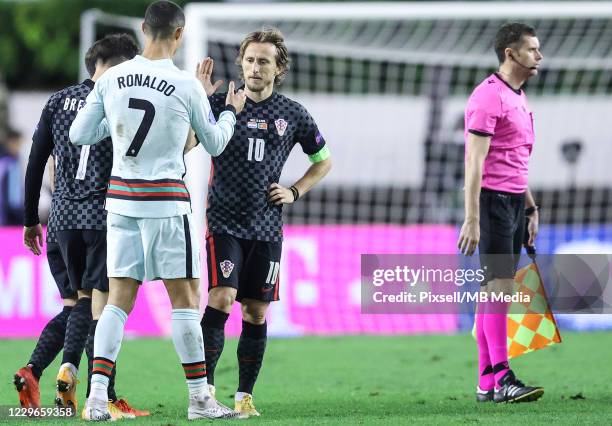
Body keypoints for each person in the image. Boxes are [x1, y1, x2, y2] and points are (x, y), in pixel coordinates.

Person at [69, 1, 245, 421]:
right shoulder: (185, 85)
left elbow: (80, 134)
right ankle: (200, 400)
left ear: (145, 29)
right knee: (185, 299)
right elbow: (216, 143)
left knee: (117, 302)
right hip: (166, 203)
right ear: (180, 34)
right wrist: (229, 113)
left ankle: (95, 400)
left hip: (121, 202)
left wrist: (113, 127)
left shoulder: (112, 77)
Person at [198, 27, 332, 417]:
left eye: (264, 62)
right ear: (241, 62)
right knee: (221, 296)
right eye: (251, 60)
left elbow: (323, 160)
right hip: (223, 221)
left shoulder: (293, 114)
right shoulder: (220, 102)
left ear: (279, 69)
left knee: (255, 312)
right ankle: (204, 390)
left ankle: (244, 396)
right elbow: (189, 137)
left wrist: (295, 191)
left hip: (266, 226)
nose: (255, 68)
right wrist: (200, 99)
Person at [19, 33, 146, 419]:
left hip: (60, 221)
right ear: (121, 65)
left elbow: (36, 159)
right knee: (101, 309)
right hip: (103, 218)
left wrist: (29, 219)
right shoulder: (121, 100)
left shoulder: (57, 100)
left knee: (76, 304)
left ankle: (36, 372)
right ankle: (98, 392)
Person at [458, 22, 544, 403]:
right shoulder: (487, 97)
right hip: (491, 203)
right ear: (511, 54)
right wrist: (472, 217)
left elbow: (515, 159)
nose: (539, 56)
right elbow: (474, 163)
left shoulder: (519, 96)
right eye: (532, 50)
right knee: (497, 289)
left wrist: (530, 208)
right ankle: (503, 376)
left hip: (512, 203)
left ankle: (486, 383)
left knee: (495, 292)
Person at [0, 128, 25, 226]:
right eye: (18, 144)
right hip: (7, 213)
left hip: (16, 210)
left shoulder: (15, 160)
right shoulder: (5, 162)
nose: (19, 147)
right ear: (11, 142)